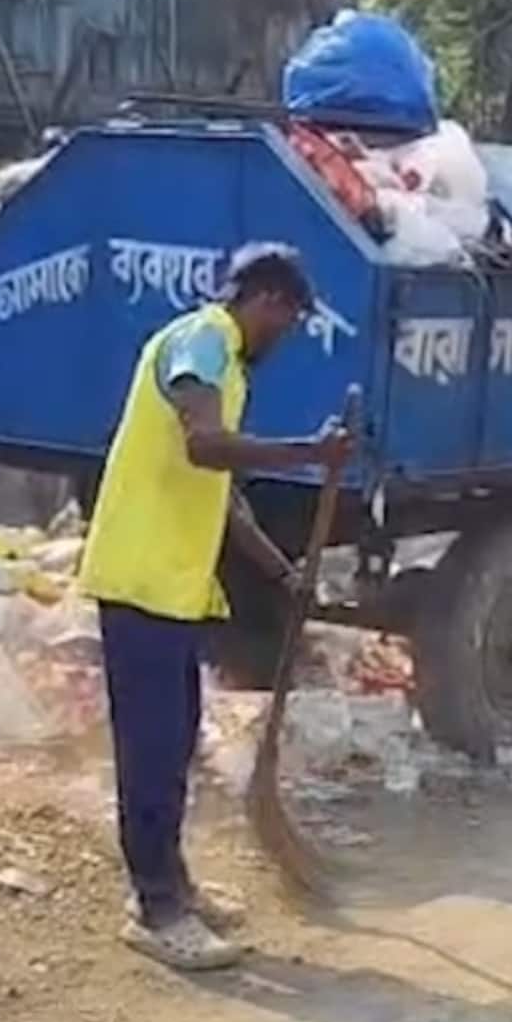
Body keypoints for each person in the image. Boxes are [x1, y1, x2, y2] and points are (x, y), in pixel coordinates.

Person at [77, 243, 348, 971]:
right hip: (140, 582)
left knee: (177, 742)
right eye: (289, 321)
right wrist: (306, 455)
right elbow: (205, 447)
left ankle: (174, 885)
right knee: (152, 748)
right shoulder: (201, 340)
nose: (286, 336)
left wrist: (282, 571)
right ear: (269, 302)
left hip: (172, 589)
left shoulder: (225, 365)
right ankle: (155, 909)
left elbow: (221, 498)